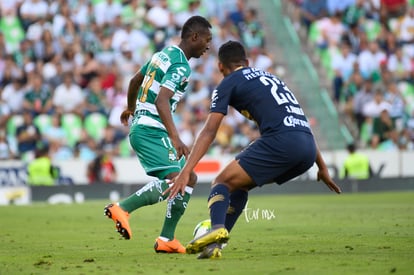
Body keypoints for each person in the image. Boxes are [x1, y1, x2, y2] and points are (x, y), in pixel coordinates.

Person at [166, 40, 342, 259]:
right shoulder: (273, 78)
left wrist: (185, 172)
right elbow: (300, 122)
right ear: (247, 62)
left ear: (221, 67)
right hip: (306, 150)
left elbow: (209, 131)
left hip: (282, 141)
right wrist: (322, 167)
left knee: (221, 182)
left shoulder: (228, 83)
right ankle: (215, 246)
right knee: (239, 187)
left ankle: (216, 229)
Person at [103, 15, 212, 254]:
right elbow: (163, 101)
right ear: (194, 37)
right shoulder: (181, 66)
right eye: (207, 39)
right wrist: (175, 137)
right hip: (152, 129)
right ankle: (123, 208)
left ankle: (167, 239)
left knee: (188, 177)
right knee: (176, 178)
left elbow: (134, 81)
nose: (208, 46)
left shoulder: (163, 54)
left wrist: (131, 107)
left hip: (144, 126)